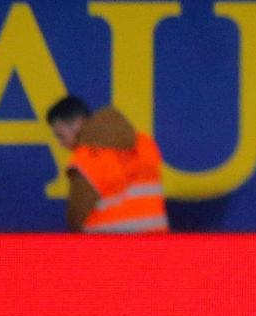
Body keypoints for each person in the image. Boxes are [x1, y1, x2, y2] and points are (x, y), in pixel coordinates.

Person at [46, 95, 169, 233]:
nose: (61, 144)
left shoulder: (86, 158)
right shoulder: (144, 143)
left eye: (60, 135)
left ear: (77, 123)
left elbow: (76, 215)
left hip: (110, 247)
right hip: (156, 244)